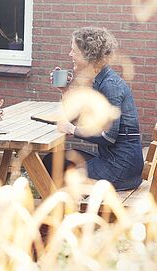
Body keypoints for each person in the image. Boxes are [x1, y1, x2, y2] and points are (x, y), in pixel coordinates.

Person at [43, 26, 143, 191]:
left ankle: (69, 210)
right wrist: (66, 91)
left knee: (54, 163)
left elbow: (108, 137)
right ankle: (70, 208)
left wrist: (73, 129)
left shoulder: (110, 86)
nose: (70, 54)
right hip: (116, 162)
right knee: (58, 158)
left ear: (88, 55)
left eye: (74, 50)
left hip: (120, 169)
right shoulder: (101, 81)